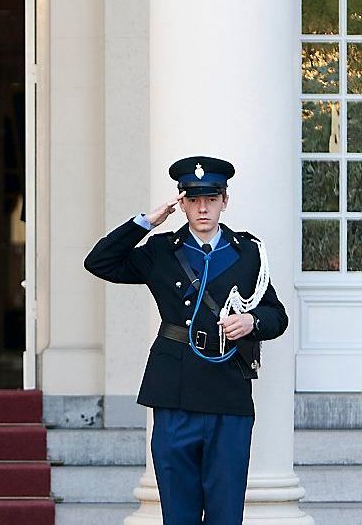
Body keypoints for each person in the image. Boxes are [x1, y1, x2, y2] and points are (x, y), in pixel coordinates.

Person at [84, 156, 288, 524]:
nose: (203, 208)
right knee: (178, 511)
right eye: (193, 200)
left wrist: (252, 321)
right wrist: (146, 223)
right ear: (181, 203)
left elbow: (277, 315)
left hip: (228, 390)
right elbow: (100, 262)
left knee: (226, 512)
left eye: (211, 199)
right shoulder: (161, 250)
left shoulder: (249, 253)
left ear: (225, 201)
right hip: (174, 390)